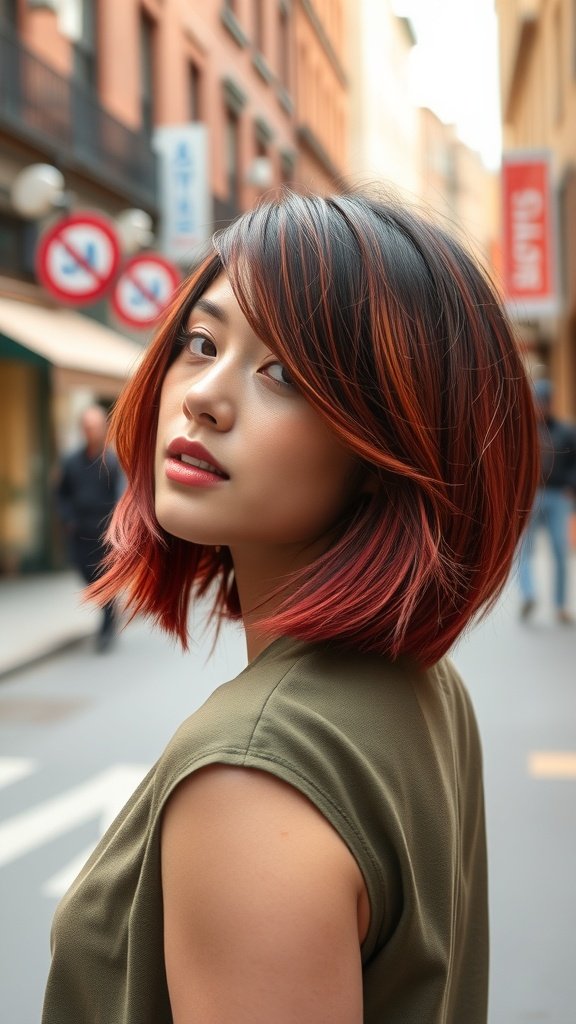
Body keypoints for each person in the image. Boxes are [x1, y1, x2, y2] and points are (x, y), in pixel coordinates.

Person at [42, 189, 539, 1024]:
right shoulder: (419, 682)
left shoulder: (251, 779)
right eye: (202, 343)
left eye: (284, 374)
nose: (203, 396)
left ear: (386, 451)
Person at [56, 403, 124, 651]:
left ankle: (107, 627)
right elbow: (61, 493)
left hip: (104, 534)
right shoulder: (71, 462)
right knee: (87, 576)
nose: (90, 431)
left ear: (102, 429)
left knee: (103, 579)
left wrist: (117, 529)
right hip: (80, 531)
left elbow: (121, 496)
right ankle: (110, 610)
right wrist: (68, 519)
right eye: (86, 427)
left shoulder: (112, 462)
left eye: (94, 427)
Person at [518, 378, 576, 624]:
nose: (541, 406)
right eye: (537, 401)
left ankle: (560, 605)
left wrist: (571, 487)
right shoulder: (524, 433)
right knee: (523, 549)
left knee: (560, 550)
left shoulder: (566, 431)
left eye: (544, 401)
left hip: (558, 495)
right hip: (531, 496)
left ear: (551, 403)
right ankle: (529, 594)